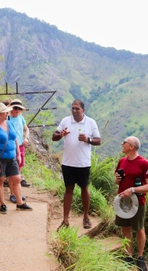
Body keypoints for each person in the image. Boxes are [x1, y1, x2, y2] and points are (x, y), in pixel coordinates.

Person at [52, 99, 101, 230]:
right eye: (73, 108)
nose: (74, 111)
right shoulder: (66, 121)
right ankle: (65, 220)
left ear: (83, 110)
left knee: (84, 189)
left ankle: (86, 217)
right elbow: (54, 136)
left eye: (77, 108)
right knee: (68, 189)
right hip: (68, 162)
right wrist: (61, 134)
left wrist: (88, 139)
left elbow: (98, 140)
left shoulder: (90, 122)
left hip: (83, 163)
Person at [114, 136, 148, 271]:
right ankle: (128, 256)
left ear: (131, 146)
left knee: (139, 229)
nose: (122, 144)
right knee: (125, 228)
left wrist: (132, 189)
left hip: (138, 202)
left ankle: (140, 257)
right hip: (122, 201)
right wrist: (117, 179)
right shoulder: (121, 161)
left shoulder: (144, 163)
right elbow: (117, 181)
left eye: (124, 142)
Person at [0, 102, 33, 213]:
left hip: (12, 157)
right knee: (0, 180)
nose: (7, 114)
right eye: (5, 113)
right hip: (0, 158)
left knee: (17, 178)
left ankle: (19, 203)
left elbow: (15, 138)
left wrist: (18, 154)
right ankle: (2, 204)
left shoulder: (9, 123)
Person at [8, 99, 30, 203]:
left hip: (21, 145)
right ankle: (12, 194)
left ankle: (17, 193)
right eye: (15, 108)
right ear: (11, 109)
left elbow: (26, 129)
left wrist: (27, 138)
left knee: (19, 168)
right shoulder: (7, 119)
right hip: (12, 147)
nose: (17, 110)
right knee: (13, 172)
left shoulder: (21, 118)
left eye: (19, 109)